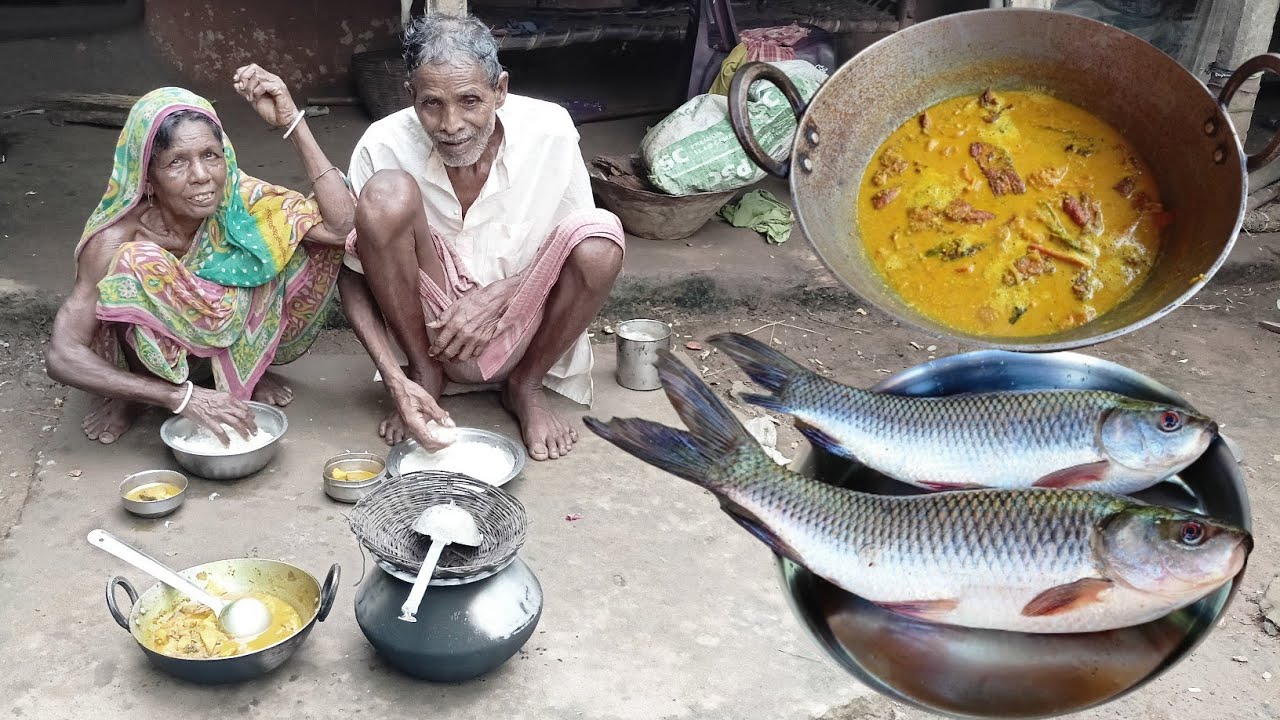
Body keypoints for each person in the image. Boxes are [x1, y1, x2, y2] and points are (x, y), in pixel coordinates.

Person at [340, 14, 625, 462]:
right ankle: (426, 374)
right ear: (410, 95)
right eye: (432, 103)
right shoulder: (382, 144)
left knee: (600, 240)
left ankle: (526, 384)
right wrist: (396, 377)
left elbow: (574, 246)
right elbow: (352, 276)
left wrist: (499, 295)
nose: (451, 124)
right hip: (430, 326)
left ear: (501, 91)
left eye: (470, 100)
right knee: (385, 195)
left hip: (526, 318)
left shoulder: (550, 131)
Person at [46, 65, 355, 445]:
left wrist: (293, 121)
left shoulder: (237, 203)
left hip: (219, 340)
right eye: (177, 162)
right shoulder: (115, 240)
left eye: (211, 155)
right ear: (149, 178)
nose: (201, 175)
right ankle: (140, 391)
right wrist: (178, 397)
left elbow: (340, 226)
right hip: (151, 360)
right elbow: (62, 355)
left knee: (278, 241)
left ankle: (244, 371)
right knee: (138, 266)